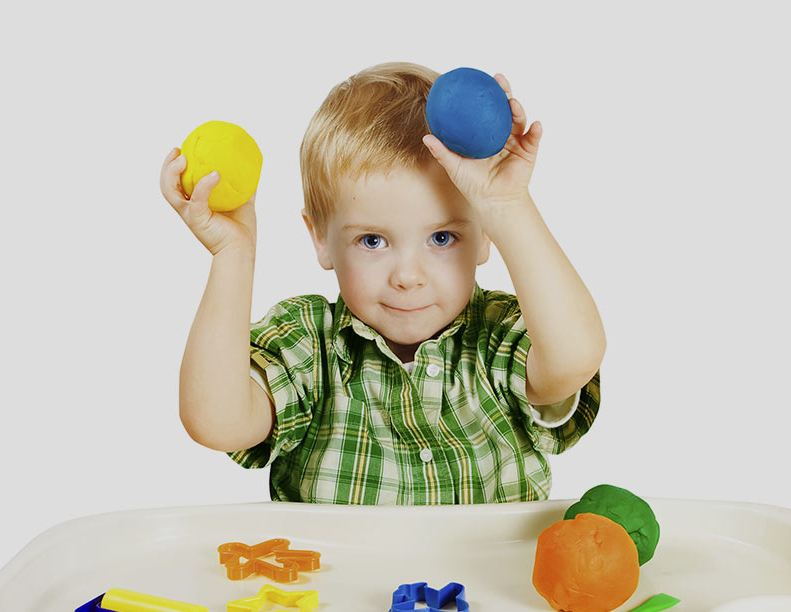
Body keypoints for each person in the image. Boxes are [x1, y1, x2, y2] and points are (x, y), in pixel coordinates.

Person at [159, 62, 604, 505]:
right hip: (345, 578)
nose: (408, 277)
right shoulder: (309, 344)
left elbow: (576, 355)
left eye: (442, 237)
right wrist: (232, 256)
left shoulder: (499, 333)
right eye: (372, 241)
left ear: (484, 233)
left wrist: (507, 204)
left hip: (484, 577)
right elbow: (216, 421)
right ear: (321, 240)